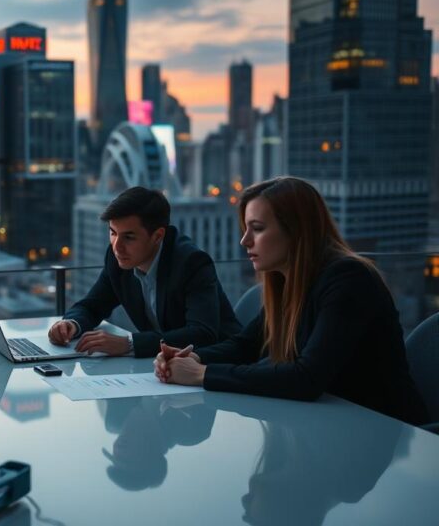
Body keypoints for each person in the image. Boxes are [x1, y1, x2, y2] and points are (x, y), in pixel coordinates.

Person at [155, 177, 428, 425]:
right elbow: (247, 344)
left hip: (384, 431)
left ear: (296, 231)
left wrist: (203, 373)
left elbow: (306, 378)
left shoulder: (349, 280)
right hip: (329, 423)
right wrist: (190, 357)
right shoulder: (291, 281)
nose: (244, 241)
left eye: (257, 229)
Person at [48, 187, 241, 358]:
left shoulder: (191, 263)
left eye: (128, 237)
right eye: (113, 233)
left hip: (217, 363)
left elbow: (202, 334)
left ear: (157, 236)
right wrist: (72, 324)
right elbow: (92, 306)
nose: (117, 247)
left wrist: (129, 343)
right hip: (164, 367)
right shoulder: (118, 259)